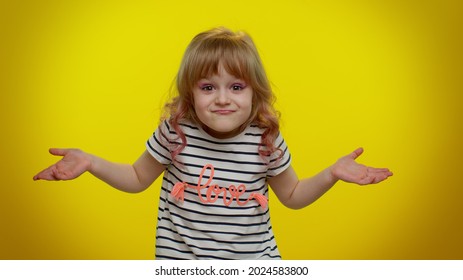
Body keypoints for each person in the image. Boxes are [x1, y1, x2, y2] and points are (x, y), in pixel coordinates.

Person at [33, 27, 393, 260]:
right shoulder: (176, 132)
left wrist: (332, 173)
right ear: (191, 92)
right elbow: (136, 178)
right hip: (182, 264)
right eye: (208, 87)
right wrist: (91, 162)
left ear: (256, 91)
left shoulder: (265, 139)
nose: (222, 99)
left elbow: (293, 196)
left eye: (236, 87)